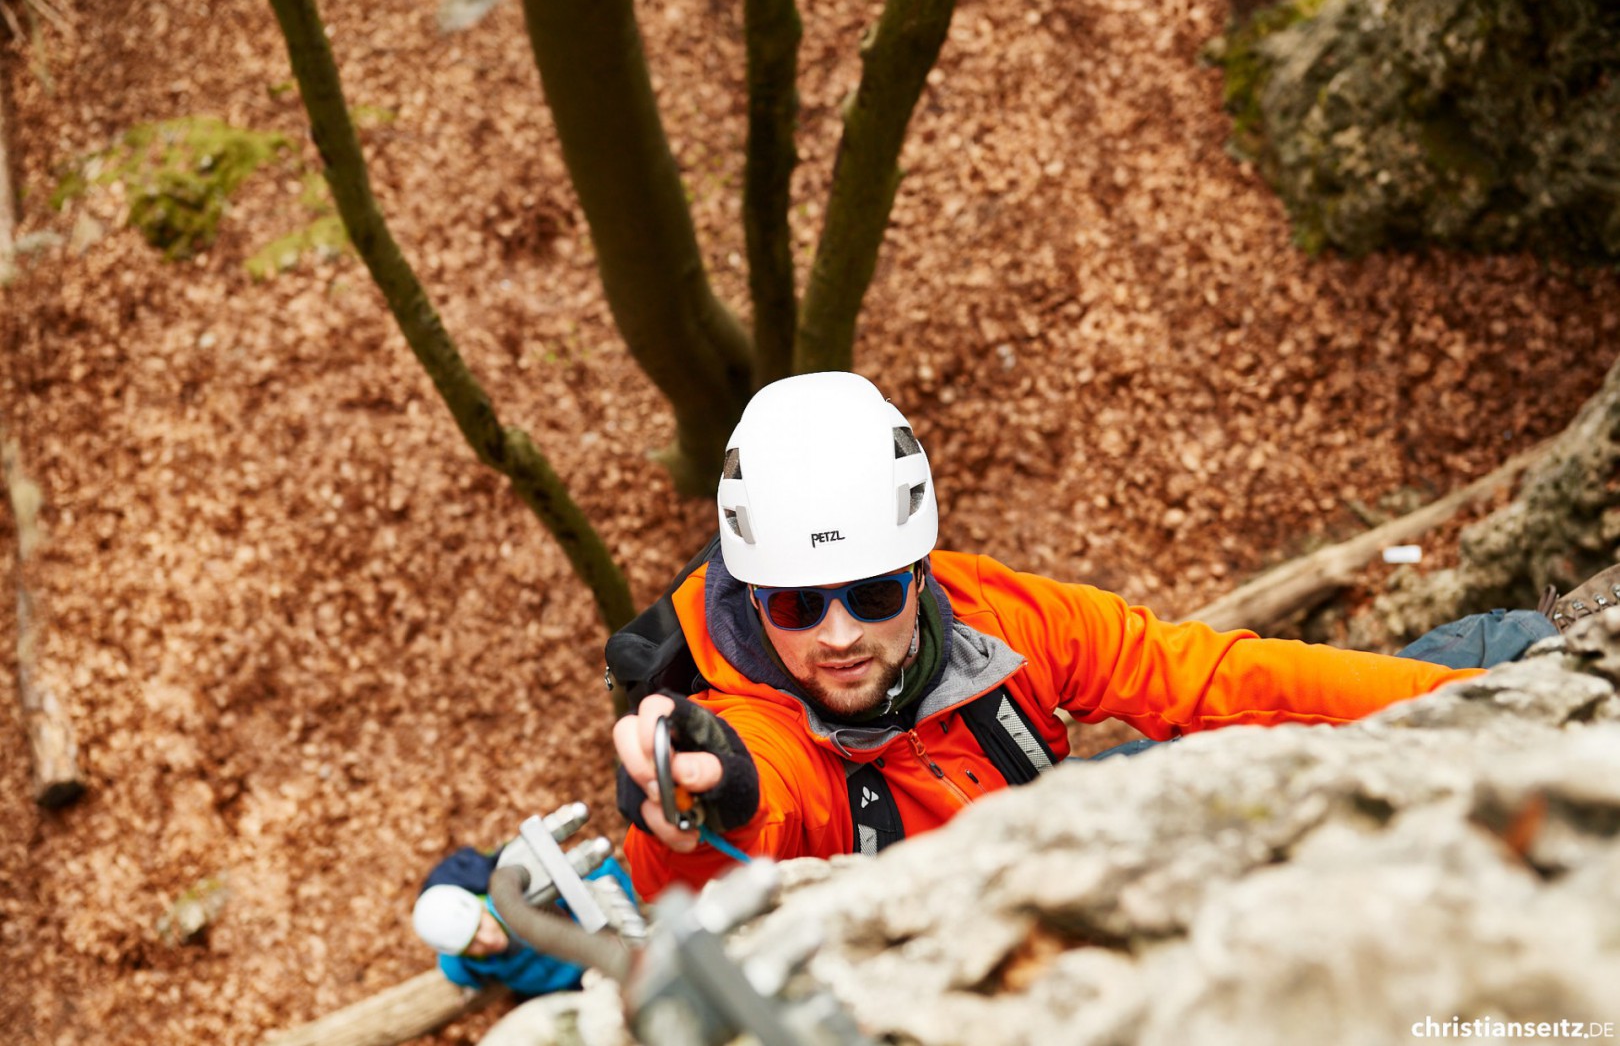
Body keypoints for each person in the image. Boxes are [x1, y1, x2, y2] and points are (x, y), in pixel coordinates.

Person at [612, 371, 1608, 900]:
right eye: (795, 605)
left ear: (918, 573)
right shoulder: (746, 724)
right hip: (932, 935)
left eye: (870, 591)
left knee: (1458, 658)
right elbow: (727, 835)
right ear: (755, 597)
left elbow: (1209, 679)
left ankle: (1526, 648)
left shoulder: (1004, 618)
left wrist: (1470, 713)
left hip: (1050, 842)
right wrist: (709, 803)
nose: (836, 635)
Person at [411, 844, 635, 997]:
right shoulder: (461, 966)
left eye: (480, 926)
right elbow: (452, 968)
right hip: (568, 992)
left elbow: (605, 871)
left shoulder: (527, 898)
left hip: (606, 958)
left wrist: (621, 933)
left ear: (481, 905)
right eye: (472, 944)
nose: (488, 940)